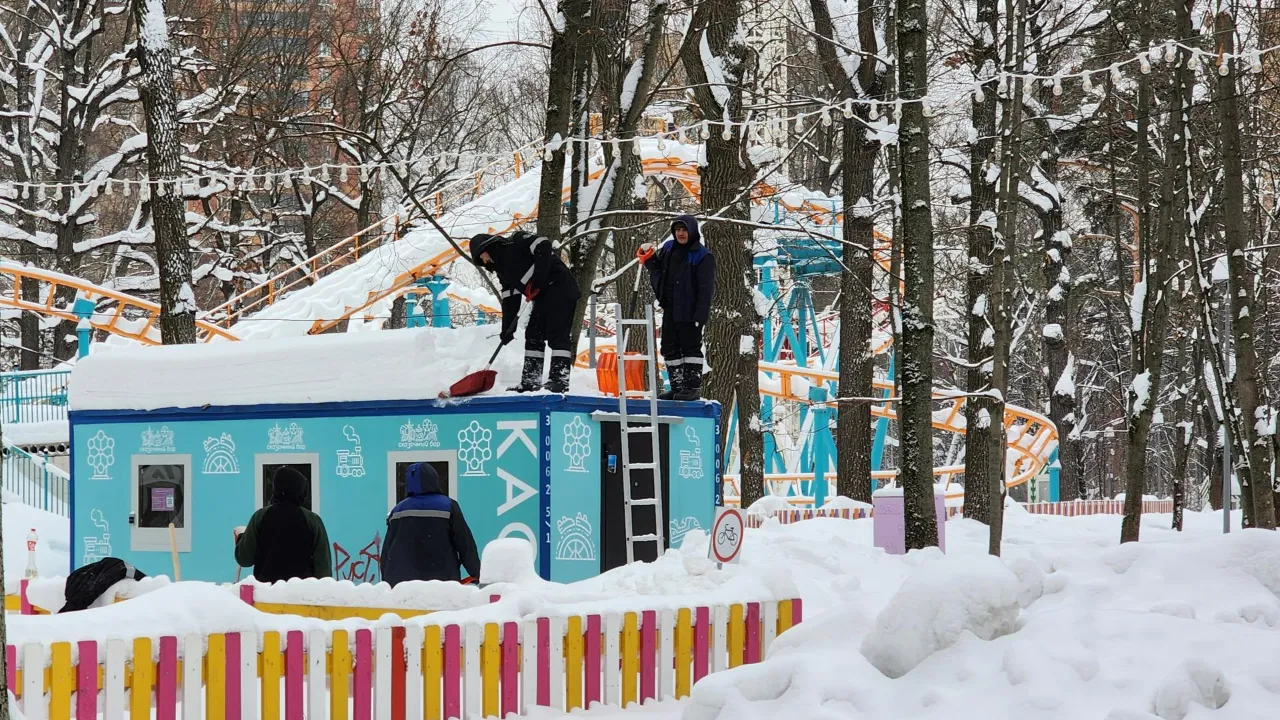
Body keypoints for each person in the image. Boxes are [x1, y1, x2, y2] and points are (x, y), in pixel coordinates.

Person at [469, 230, 581, 393]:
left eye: (483, 256)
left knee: (557, 334)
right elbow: (510, 299)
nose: (484, 261)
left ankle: (559, 380)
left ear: (490, 246)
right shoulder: (503, 272)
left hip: (561, 288)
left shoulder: (516, 242)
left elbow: (543, 244)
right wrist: (507, 328)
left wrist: (538, 278)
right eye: (481, 261)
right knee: (534, 334)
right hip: (542, 296)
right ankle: (530, 381)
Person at [637, 214, 716, 401]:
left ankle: (691, 387)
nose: (681, 234)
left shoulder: (702, 256)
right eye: (678, 230)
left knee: (690, 348)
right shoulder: (669, 248)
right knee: (669, 347)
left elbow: (706, 290)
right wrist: (649, 259)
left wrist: (700, 317)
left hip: (690, 311)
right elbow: (660, 271)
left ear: (692, 231)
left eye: (684, 230)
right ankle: (677, 386)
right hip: (671, 308)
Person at [381, 462, 482, 586]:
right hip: (441, 583)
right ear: (434, 479)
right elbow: (465, 545)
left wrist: (386, 581)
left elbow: (387, 550)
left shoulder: (397, 510)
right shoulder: (448, 506)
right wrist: (477, 573)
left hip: (402, 585)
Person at [234, 467, 333, 583]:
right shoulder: (313, 520)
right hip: (302, 596)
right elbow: (324, 571)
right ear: (301, 491)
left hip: (266, 595)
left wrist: (241, 538)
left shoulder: (260, 517)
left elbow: (244, 559)